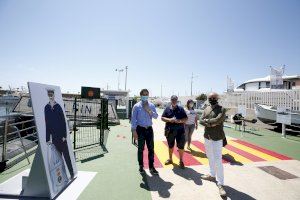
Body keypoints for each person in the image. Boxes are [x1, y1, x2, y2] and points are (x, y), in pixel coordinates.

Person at [200, 92, 227, 197]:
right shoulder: (206, 108)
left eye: (214, 97)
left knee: (218, 160)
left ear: (217, 98)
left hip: (217, 137)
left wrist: (208, 122)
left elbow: (219, 119)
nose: (212, 99)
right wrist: (211, 123)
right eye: (210, 98)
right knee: (209, 156)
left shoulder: (222, 109)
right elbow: (201, 120)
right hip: (207, 136)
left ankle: (220, 183)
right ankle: (212, 175)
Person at [45, 89, 74, 179]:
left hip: (61, 137)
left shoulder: (58, 107)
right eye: (49, 94)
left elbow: (63, 122)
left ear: (54, 95)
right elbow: (47, 124)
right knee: (58, 159)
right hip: (54, 138)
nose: (50, 95)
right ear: (47, 95)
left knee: (66, 157)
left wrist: (64, 136)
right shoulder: (46, 108)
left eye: (51, 94)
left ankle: (71, 173)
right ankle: (62, 177)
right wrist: (47, 138)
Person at [131, 89, 159, 175]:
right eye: (143, 94)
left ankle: (151, 166)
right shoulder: (136, 106)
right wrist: (134, 131)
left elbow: (156, 116)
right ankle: (141, 165)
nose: (145, 96)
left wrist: (149, 110)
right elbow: (133, 120)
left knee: (151, 149)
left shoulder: (151, 105)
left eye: (146, 94)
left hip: (149, 129)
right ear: (141, 95)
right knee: (140, 149)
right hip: (140, 129)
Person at [161, 95, 188, 169]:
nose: (174, 101)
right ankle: (170, 159)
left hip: (180, 131)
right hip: (170, 131)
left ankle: (181, 161)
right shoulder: (167, 108)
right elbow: (162, 118)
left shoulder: (181, 109)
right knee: (170, 146)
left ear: (177, 100)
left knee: (181, 146)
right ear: (171, 100)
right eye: (173, 100)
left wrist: (179, 121)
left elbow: (186, 118)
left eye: (175, 100)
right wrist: (170, 120)